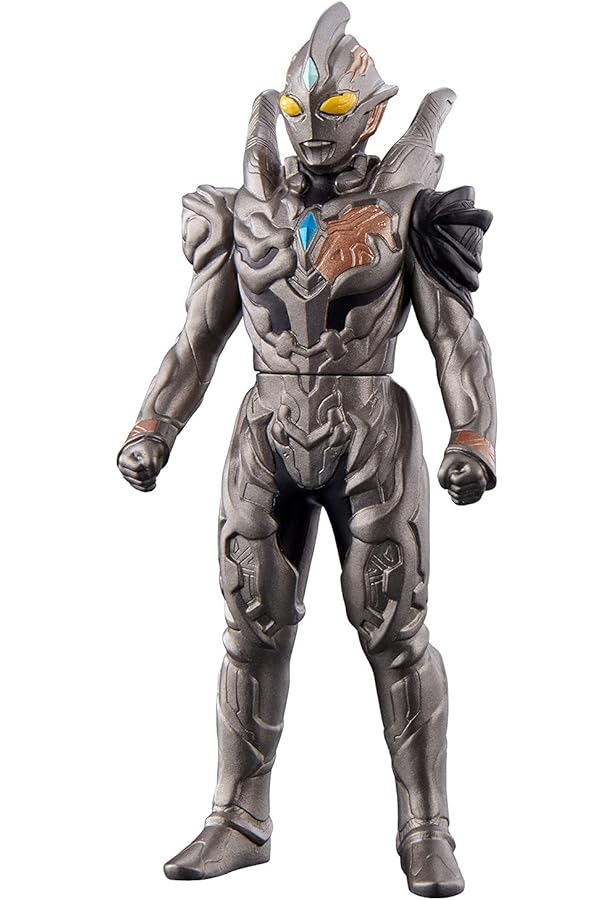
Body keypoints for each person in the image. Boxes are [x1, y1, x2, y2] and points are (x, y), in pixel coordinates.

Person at [117, 4, 496, 896]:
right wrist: (152, 426)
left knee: (395, 631)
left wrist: (472, 434)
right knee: (250, 628)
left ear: (372, 112)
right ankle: (238, 818)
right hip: (264, 432)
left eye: (330, 112)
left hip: (371, 432)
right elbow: (197, 337)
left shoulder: (407, 209)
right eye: (296, 113)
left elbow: (455, 338)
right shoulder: (244, 209)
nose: (312, 131)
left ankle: (426, 829)